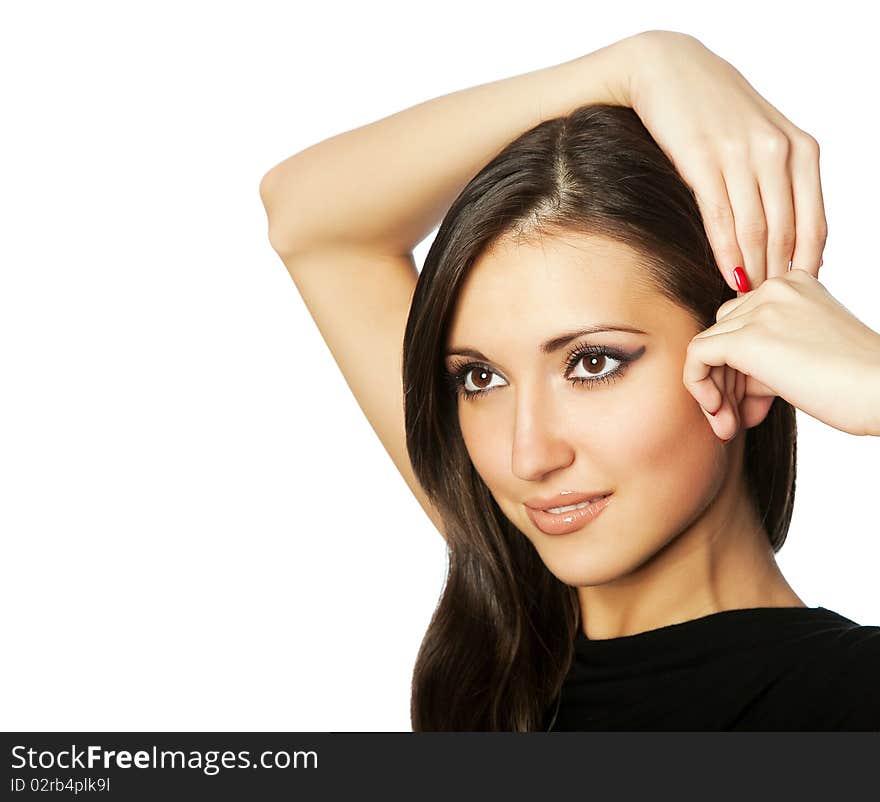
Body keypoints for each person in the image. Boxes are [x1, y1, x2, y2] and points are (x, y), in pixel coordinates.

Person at [259, 30, 880, 731]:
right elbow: (307, 218)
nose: (528, 456)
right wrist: (634, 67)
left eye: (591, 363)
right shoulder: (512, 642)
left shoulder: (851, 696)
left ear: (741, 360)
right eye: (481, 377)